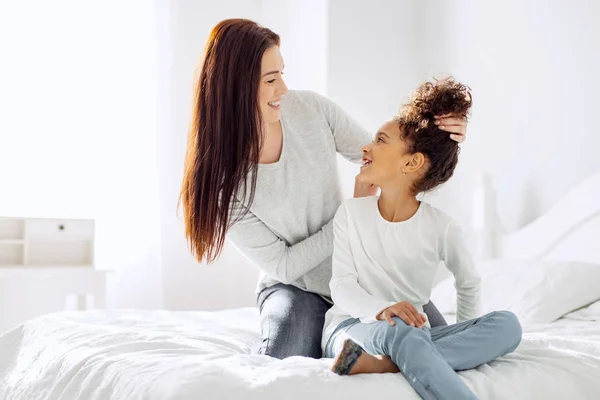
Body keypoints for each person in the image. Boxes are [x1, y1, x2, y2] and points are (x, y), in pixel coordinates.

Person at [179, 18, 469, 360]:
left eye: (282, 74)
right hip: (295, 289)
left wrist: (440, 135)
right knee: (285, 356)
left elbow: (386, 160)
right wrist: (352, 215)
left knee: (443, 343)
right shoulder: (222, 183)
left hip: (363, 273)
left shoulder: (310, 110)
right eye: (271, 80)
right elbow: (285, 266)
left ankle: (360, 347)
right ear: (236, 90)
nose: (283, 89)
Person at [322, 78, 522, 399]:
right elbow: (341, 286)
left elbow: (468, 283)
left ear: (411, 162)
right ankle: (402, 356)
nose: (366, 147)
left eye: (380, 141)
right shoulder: (351, 214)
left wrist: (464, 334)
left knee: (508, 325)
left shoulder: (441, 227)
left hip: (412, 335)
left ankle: (385, 365)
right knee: (404, 334)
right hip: (351, 329)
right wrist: (382, 309)